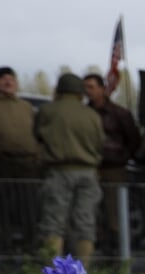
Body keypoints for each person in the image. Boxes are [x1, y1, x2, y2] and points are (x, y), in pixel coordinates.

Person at [35, 72, 103, 261]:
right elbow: (100, 142)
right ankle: (84, 273)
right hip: (88, 173)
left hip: (59, 171)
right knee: (85, 224)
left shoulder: (48, 111)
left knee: (53, 223)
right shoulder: (91, 115)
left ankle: (55, 273)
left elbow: (38, 136)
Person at [0, 64, 39, 255]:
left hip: (26, 166)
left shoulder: (25, 106)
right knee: (1, 211)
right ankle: (6, 251)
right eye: (3, 78)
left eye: (11, 78)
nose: (8, 81)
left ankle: (31, 250)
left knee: (29, 209)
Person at [83, 72, 141, 251]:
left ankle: (117, 252)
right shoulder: (84, 113)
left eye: (91, 87)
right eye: (85, 88)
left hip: (113, 169)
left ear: (102, 88)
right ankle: (99, 248)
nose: (88, 92)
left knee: (114, 212)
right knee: (90, 212)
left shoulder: (119, 113)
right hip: (90, 168)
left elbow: (133, 138)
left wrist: (121, 157)